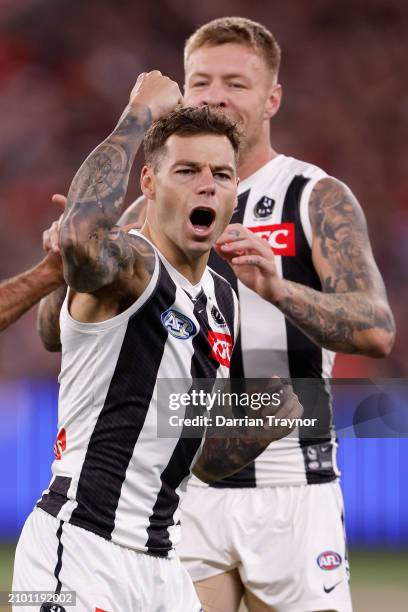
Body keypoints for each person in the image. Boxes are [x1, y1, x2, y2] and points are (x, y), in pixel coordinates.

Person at [13, 70, 302, 612]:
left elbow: (194, 458)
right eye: (187, 170)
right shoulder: (133, 264)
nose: (207, 184)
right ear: (149, 182)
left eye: (221, 173)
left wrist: (259, 421)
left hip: (163, 564)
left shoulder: (223, 295)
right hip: (80, 548)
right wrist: (139, 113)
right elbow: (80, 238)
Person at [175, 17, 395, 612]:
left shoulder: (313, 195)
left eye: (235, 83)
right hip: (183, 485)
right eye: (201, 82)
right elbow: (60, 331)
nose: (215, 96)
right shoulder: (155, 205)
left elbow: (375, 329)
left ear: (272, 98)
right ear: (183, 92)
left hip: (290, 484)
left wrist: (279, 289)